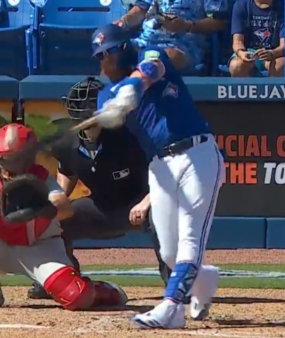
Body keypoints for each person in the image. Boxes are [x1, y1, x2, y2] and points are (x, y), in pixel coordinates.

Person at [90, 24, 224, 329]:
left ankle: (171, 307)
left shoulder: (150, 55)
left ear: (121, 50)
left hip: (198, 154)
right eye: (99, 56)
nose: (103, 63)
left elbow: (151, 68)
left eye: (107, 54)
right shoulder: (107, 94)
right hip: (160, 166)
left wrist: (131, 89)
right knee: (169, 251)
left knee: (190, 237)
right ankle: (204, 279)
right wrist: (107, 114)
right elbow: (105, 121)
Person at [0, 123, 128, 311]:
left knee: (78, 297)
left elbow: (65, 208)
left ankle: (104, 291)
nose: (12, 167)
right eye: (8, 160)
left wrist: (44, 209)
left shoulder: (40, 179)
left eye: (20, 160)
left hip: (40, 249)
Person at [26, 76, 172, 300]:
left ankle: (175, 285)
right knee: (54, 220)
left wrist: (146, 202)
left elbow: (165, 171)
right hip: (101, 208)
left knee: (162, 214)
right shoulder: (67, 143)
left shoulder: (132, 136)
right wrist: (50, 205)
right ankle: (58, 278)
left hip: (140, 203)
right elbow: (66, 176)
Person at [114, 0, 228, 74]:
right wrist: (123, 22)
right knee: (111, 51)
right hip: (145, 42)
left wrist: (186, 25)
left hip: (183, 47)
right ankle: (104, 103)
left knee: (164, 57)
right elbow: (140, 9)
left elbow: (218, 22)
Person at [229, 0, 285, 77]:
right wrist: (241, 53)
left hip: (274, 54)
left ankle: (272, 88)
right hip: (248, 52)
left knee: (281, 65)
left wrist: (272, 53)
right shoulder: (241, 4)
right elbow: (237, 42)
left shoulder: (284, 6)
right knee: (236, 66)